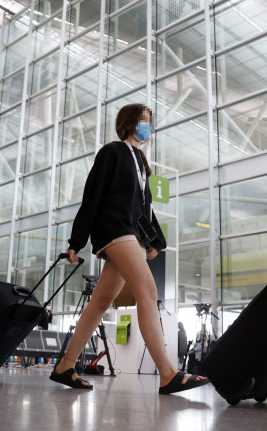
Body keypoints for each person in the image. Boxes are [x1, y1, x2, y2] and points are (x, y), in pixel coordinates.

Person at [51, 103, 209, 395]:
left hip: (131, 233)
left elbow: (142, 209)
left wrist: (153, 241)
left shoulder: (141, 161)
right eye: (144, 121)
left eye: (150, 122)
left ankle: (65, 366)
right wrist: (76, 242)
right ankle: (167, 373)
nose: (148, 127)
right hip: (114, 231)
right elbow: (92, 197)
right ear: (129, 124)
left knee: (101, 302)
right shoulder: (112, 152)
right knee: (147, 291)